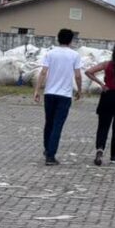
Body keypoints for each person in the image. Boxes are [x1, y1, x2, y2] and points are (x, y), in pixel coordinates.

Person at [34, 28, 82, 166]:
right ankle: (51, 156)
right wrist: (79, 90)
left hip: (49, 93)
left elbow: (43, 72)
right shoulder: (75, 55)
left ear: (58, 39)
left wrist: (37, 90)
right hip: (64, 95)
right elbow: (78, 75)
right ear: (71, 40)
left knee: (49, 122)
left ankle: (47, 148)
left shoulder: (50, 53)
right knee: (57, 125)